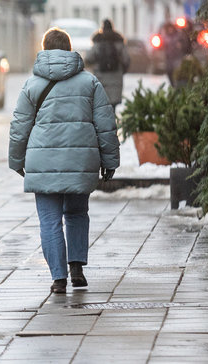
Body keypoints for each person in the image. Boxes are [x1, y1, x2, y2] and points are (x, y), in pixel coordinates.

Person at [8, 27, 121, 294]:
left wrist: (16, 160)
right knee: (77, 213)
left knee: (49, 220)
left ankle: (58, 278)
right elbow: (106, 124)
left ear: (44, 49)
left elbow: (19, 126)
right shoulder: (89, 82)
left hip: (43, 162)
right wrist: (110, 161)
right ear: (70, 50)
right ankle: (77, 268)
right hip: (80, 161)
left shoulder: (32, 85)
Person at [87, 19, 130, 107]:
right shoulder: (119, 41)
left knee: (101, 106)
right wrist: (122, 71)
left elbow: (88, 58)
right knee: (113, 106)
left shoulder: (97, 41)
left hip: (100, 77)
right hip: (116, 77)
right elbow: (126, 60)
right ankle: (113, 120)